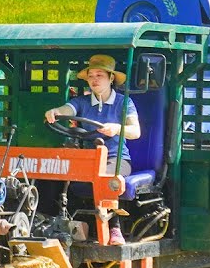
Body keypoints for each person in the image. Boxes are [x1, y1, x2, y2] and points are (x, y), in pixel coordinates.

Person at [44, 54, 141, 245]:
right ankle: (54, 223)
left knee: (103, 176)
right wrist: (56, 112)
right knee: (53, 174)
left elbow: (135, 132)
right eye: (91, 76)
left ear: (111, 78)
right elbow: (67, 109)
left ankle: (114, 227)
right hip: (88, 160)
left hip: (117, 159)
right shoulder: (82, 102)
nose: (94, 80)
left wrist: (117, 128)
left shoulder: (124, 103)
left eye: (100, 75)